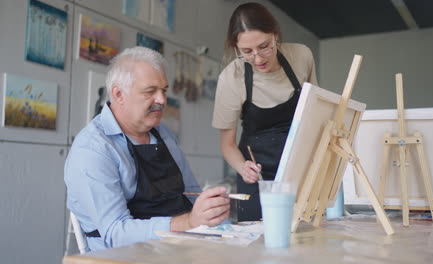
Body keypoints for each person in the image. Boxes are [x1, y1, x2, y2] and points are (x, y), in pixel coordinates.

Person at [65, 47, 230, 251]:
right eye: (150, 91)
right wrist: (188, 222)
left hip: (180, 247)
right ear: (118, 94)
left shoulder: (164, 134)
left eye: (164, 90)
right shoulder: (93, 150)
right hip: (126, 257)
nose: (161, 100)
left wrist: (211, 209)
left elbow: (191, 194)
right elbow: (115, 234)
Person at [212, 2, 318, 221]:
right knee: (255, 240)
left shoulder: (301, 57)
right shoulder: (231, 78)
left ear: (275, 35)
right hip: (256, 176)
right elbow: (227, 144)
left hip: (299, 168)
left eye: (265, 46)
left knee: (307, 236)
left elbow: (315, 113)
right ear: (236, 48)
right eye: (247, 52)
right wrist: (243, 167)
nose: (258, 59)